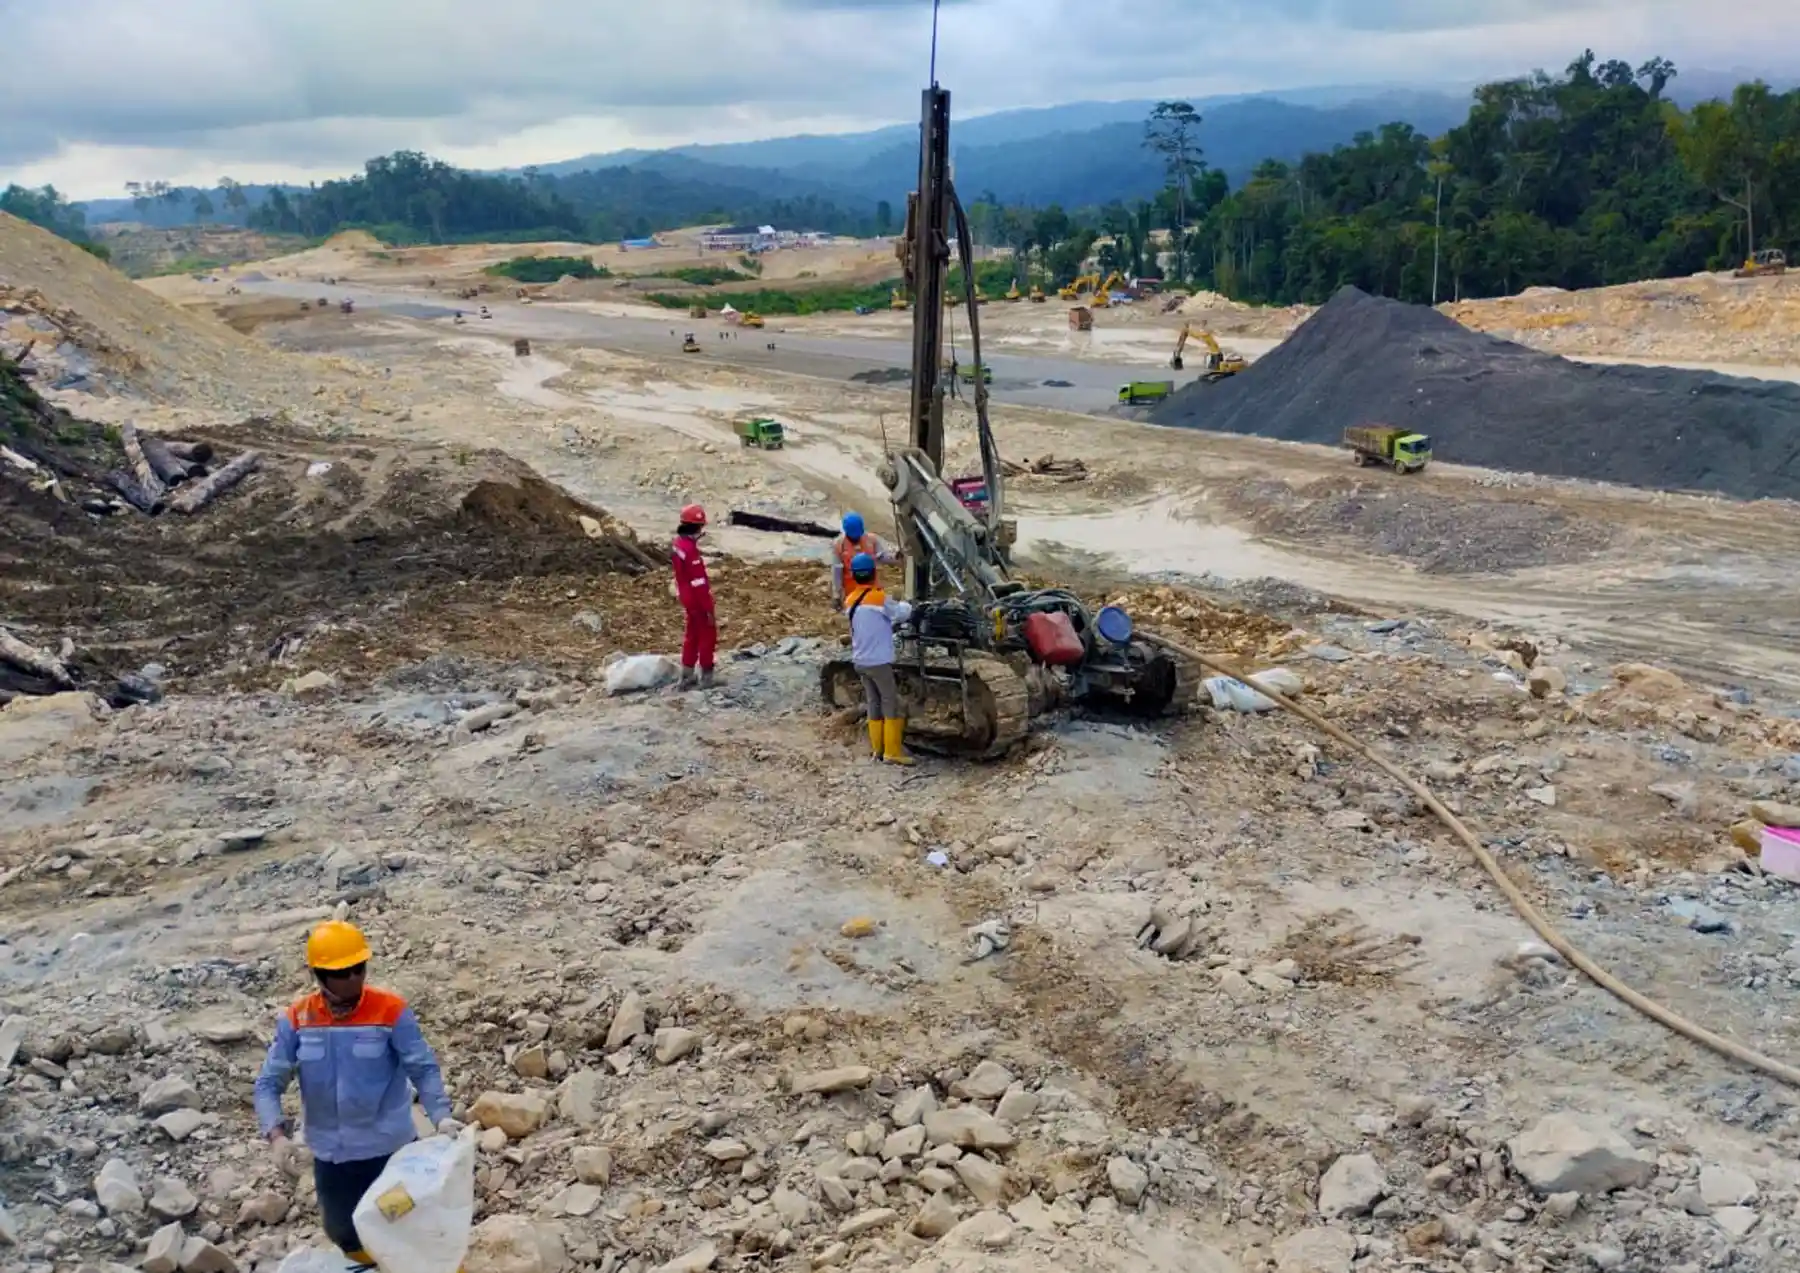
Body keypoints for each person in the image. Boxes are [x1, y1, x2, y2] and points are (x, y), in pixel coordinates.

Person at [254, 921, 455, 1268]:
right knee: (343, 1232)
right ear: (319, 974)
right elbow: (269, 1082)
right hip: (332, 1158)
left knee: (400, 1225)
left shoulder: (390, 1011)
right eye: (342, 972)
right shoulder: (298, 1019)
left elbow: (422, 1068)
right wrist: (276, 1136)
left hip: (388, 1153)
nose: (352, 979)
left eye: (358, 969)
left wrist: (442, 1117)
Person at [844, 551, 913, 765]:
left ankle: (877, 750)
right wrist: (908, 604)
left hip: (861, 660)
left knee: (873, 702)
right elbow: (901, 613)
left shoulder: (851, 600)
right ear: (874, 572)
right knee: (889, 701)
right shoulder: (878, 597)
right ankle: (892, 752)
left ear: (854, 575)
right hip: (878, 661)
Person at [672, 503, 717, 689]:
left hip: (686, 597)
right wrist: (709, 608)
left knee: (691, 635)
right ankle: (707, 678)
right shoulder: (691, 552)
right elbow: (699, 583)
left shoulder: (678, 545)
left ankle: (687, 674)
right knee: (707, 635)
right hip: (697, 600)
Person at [830, 512, 899, 606]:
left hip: (871, 587)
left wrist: (897, 557)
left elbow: (882, 556)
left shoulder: (871, 540)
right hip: (851, 590)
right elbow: (836, 571)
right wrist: (836, 594)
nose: (856, 539)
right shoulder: (838, 545)